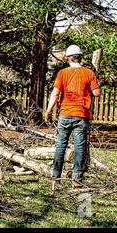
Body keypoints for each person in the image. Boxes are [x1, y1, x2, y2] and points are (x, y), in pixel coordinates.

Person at [44, 45, 101, 188]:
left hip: (64, 114)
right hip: (81, 115)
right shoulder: (89, 73)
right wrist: (95, 84)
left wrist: (48, 111)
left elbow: (55, 94)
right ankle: (77, 180)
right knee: (80, 147)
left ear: (69, 58)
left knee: (60, 146)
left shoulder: (62, 73)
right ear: (80, 57)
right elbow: (97, 93)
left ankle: (55, 177)